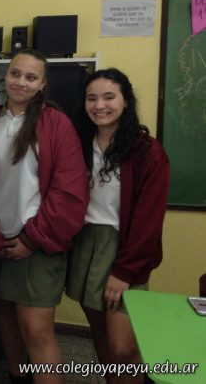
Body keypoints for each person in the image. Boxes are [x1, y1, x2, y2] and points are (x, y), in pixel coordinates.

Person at [0, 48, 88, 384]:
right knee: (7, 317)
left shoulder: (56, 125)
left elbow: (68, 193)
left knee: (36, 330)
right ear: (5, 75)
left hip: (38, 244)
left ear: (43, 84)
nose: (21, 82)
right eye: (15, 73)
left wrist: (31, 240)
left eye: (31, 77)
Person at [66, 68, 169, 384]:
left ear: (126, 101)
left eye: (109, 97)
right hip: (86, 245)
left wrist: (125, 271)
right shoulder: (78, 143)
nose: (99, 105)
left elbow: (148, 220)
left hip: (125, 249)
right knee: (100, 333)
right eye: (92, 98)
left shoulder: (147, 151)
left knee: (123, 347)